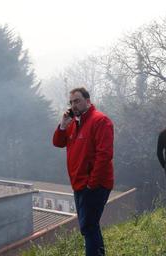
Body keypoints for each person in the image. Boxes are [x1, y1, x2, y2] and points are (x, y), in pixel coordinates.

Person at [52, 87, 114, 256]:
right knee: (90, 226)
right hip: (78, 183)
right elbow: (58, 143)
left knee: (88, 226)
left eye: (77, 101)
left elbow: (105, 155)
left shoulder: (100, 121)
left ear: (88, 101)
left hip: (94, 184)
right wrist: (63, 125)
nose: (73, 105)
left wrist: (91, 183)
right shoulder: (73, 123)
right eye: (71, 102)